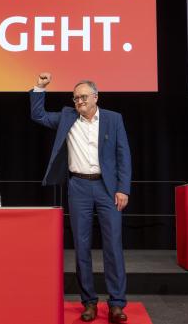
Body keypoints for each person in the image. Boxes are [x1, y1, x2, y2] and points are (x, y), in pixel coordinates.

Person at [30, 72, 130, 323]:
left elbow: (123, 156)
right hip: (79, 188)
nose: (79, 102)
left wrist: (123, 188)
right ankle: (89, 302)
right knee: (82, 247)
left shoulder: (113, 119)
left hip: (107, 189)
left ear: (96, 97)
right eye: (76, 98)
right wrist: (40, 88)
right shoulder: (67, 117)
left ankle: (117, 304)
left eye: (83, 97)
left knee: (113, 247)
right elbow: (38, 115)